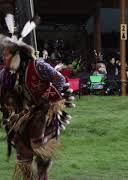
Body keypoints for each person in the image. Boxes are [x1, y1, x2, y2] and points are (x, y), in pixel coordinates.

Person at [0, 14, 74, 179]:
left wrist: (45, 100)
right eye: (3, 55)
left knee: (41, 163)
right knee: (24, 157)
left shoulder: (38, 66)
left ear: (17, 55)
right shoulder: (5, 75)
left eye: (6, 55)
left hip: (45, 112)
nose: (3, 58)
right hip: (23, 116)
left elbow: (60, 79)